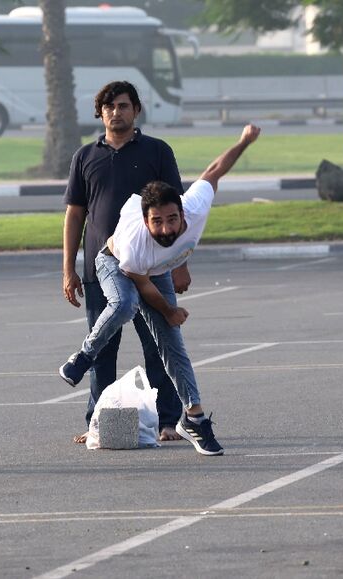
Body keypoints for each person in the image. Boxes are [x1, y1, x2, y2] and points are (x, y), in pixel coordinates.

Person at [59, 123, 261, 456]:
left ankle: (193, 418)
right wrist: (170, 311)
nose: (166, 229)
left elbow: (214, 171)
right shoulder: (135, 241)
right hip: (115, 263)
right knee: (124, 304)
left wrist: (243, 142)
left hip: (158, 271)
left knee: (173, 345)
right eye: (157, 222)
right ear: (145, 220)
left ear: (183, 212)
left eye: (172, 219)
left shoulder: (194, 208)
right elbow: (141, 288)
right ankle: (84, 355)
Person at [63, 80, 188, 444]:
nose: (116, 112)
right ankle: (96, 423)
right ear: (100, 113)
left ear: (136, 110)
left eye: (123, 106)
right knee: (102, 347)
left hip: (153, 265)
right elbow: (75, 214)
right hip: (101, 269)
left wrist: (180, 262)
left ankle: (169, 421)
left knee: (160, 344)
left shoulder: (157, 151)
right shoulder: (85, 157)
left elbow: (177, 210)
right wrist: (68, 269)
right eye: (109, 107)